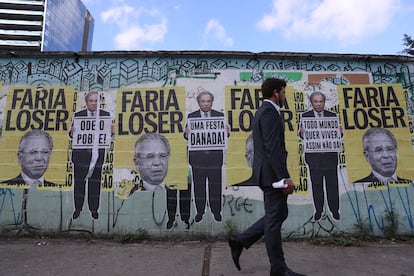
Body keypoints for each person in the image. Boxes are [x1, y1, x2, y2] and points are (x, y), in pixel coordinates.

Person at [228, 78, 304, 276]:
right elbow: (272, 148)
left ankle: (240, 240)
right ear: (276, 92)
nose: (284, 96)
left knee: (277, 214)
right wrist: (285, 178)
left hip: (268, 174)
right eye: (283, 92)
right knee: (273, 220)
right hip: (272, 176)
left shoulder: (264, 111)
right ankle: (278, 268)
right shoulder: (269, 112)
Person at [184, 91, 228, 222]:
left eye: (208, 101)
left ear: (212, 102)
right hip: (197, 160)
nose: (206, 104)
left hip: (215, 159)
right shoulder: (191, 116)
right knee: (199, 187)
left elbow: (222, 136)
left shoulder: (219, 116)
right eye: (203, 101)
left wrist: (227, 133)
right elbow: (187, 136)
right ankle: (200, 212)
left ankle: (216, 212)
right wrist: (186, 134)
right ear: (199, 103)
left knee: (215, 186)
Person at [298, 91, 341, 221]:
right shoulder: (305, 116)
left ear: (324, 102)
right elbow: (301, 134)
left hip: (330, 158)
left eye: (321, 101)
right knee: (317, 186)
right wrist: (301, 133)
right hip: (314, 159)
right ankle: (318, 210)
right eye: (316, 101)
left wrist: (340, 132)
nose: (318, 104)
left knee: (332, 185)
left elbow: (336, 136)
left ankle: (335, 210)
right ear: (311, 103)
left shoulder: (332, 116)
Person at [133, 133, 191, 230]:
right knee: (172, 195)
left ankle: (185, 219)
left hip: (186, 170)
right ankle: (172, 220)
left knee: (185, 196)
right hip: (174, 170)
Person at [70, 91, 112, 220]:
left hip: (97, 156)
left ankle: (94, 210)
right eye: (91, 100)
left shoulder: (105, 115)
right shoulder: (78, 115)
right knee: (79, 183)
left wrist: (112, 131)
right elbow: (72, 135)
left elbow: (110, 135)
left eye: (96, 100)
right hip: (80, 156)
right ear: (86, 102)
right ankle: (78, 209)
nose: (93, 103)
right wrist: (71, 132)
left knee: (95, 184)